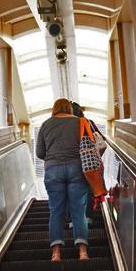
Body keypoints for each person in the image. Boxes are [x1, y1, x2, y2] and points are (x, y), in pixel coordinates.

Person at [36, 98, 89, 262]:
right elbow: (88, 145)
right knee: (78, 210)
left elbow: (39, 153)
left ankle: (56, 253)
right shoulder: (80, 122)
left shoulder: (45, 125)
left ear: (55, 109)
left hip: (53, 171)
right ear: (69, 108)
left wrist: (54, 157)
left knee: (56, 211)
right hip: (76, 169)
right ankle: (82, 252)